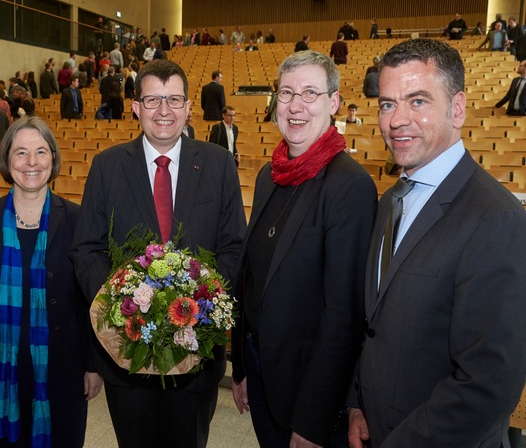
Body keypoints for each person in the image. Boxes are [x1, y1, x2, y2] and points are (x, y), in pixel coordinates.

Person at [347, 38, 526, 448]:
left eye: (418, 101)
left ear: (457, 108)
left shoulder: (497, 220)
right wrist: (356, 405)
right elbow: (372, 327)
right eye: (388, 104)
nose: (397, 120)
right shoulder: (391, 199)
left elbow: (487, 386)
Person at [69, 59, 246, 448]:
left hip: (196, 354)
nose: (163, 110)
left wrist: (205, 305)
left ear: (187, 107)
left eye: (173, 99)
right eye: (152, 100)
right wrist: (120, 304)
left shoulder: (218, 165)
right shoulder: (107, 166)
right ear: (136, 108)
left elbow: (233, 246)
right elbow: (87, 249)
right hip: (126, 357)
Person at [231, 50, 376, 448]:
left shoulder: (349, 186)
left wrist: (313, 420)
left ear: (333, 103)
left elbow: (344, 317)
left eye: (310, 93)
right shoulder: (268, 175)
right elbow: (251, 277)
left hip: (309, 394)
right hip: (262, 375)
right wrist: (241, 367)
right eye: (286, 93)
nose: (295, 106)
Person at [0, 116, 102, 447]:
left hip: (63, 372)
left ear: (53, 158)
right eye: (21, 153)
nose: (32, 162)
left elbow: (94, 302)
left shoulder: (80, 220)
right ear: (7, 160)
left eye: (41, 151)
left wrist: (94, 366)